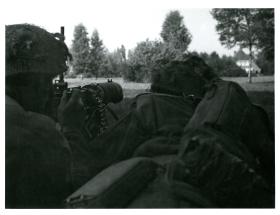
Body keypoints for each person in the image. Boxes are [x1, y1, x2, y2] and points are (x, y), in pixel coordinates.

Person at [5, 24, 92, 208]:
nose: (51, 92)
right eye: (48, 81)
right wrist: (72, 129)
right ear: (37, 81)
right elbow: (79, 190)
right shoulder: (32, 129)